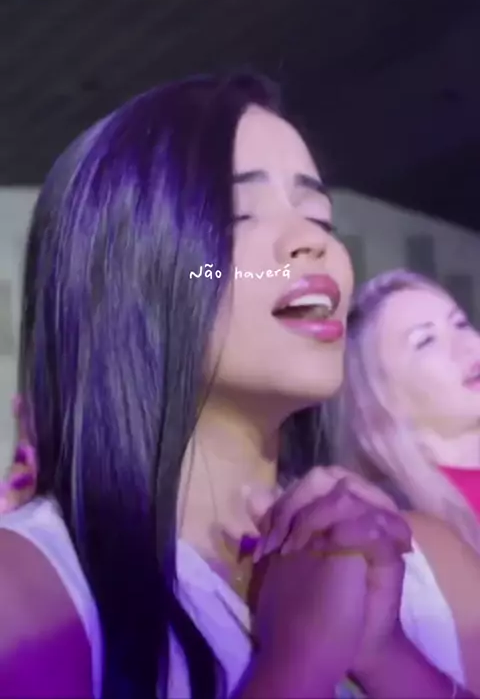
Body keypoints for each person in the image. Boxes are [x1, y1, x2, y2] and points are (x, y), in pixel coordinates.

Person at [0, 74, 476, 699]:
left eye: (319, 216)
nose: (312, 241)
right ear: (128, 273)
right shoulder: (29, 590)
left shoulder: (420, 559)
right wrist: (298, 660)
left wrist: (387, 655)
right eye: (239, 214)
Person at [329, 267, 480, 694]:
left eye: (461, 323)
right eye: (425, 341)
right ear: (382, 397)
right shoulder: (405, 541)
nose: (467, 346)